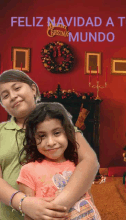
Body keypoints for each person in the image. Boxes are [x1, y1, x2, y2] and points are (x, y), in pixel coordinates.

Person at [0, 70, 100, 219]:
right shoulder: (1, 132)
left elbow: (90, 160)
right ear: (2, 104)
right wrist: (23, 203)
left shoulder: (59, 122)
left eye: (17, 88)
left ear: (33, 89)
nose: (13, 96)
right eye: (5, 95)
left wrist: (57, 206)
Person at [17, 102, 101, 220]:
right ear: (33, 139)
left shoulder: (78, 165)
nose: (50, 142)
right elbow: (29, 213)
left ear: (67, 133)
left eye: (57, 133)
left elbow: (88, 198)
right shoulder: (28, 171)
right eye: (42, 136)